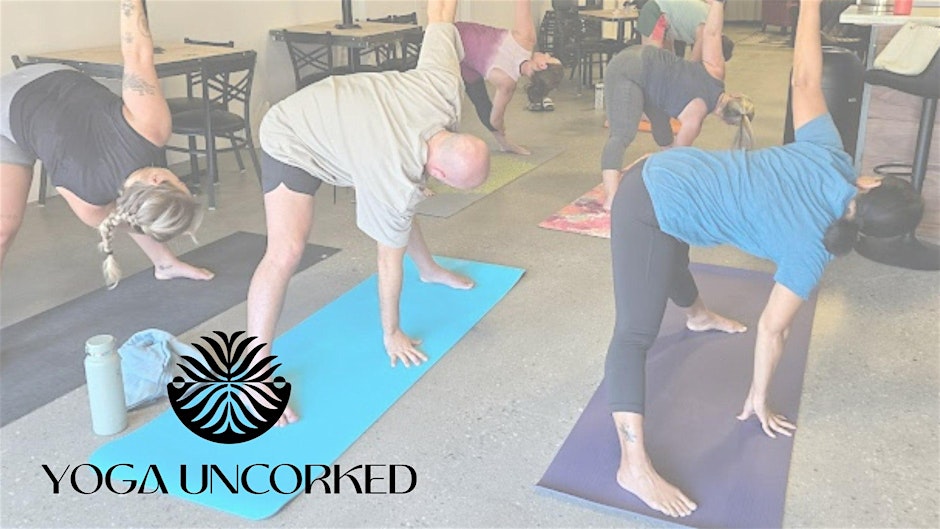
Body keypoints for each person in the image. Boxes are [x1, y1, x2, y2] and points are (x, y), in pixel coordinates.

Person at [602, 0, 924, 518]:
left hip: (667, 178)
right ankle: (631, 465)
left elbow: (804, 78)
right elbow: (773, 329)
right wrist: (759, 397)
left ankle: (697, 314)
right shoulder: (814, 251)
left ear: (869, 182)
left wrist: (810, 7)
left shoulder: (828, 154)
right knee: (634, 334)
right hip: (646, 202)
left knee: (669, 255)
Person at [249, 0, 490, 426]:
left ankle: (429, 269)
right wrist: (391, 333)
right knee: (285, 251)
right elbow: (386, 261)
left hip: (339, 120)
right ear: (439, 172)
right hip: (293, 136)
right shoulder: (393, 172)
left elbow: (440, 16)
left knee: (401, 205)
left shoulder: (443, 89)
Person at [0, 0, 212, 289]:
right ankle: (165, 263)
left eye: (182, 183)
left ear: (158, 179)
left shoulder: (92, 204)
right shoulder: (149, 127)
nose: (182, 180)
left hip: (11, 122)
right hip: (42, 82)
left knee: (3, 228)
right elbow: (137, 55)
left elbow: (136, 214)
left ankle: (165, 265)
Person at [600, 0, 753, 210]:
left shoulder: (716, 71)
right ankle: (611, 198)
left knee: (661, 123)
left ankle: (625, 185)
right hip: (627, 72)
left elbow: (712, 34)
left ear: (735, 95)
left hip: (640, 60)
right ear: (727, 122)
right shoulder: (694, 121)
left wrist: (717, 5)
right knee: (622, 134)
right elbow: (676, 160)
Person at [456, 0, 565, 155]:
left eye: (549, 57)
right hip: (463, 59)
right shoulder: (508, 83)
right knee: (482, 102)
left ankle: (505, 144)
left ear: (542, 65)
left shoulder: (527, 39)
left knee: (479, 100)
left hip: (452, 41)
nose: (547, 54)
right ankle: (504, 143)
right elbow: (495, 119)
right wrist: (501, 127)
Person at [636, 0, 735, 62]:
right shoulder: (706, 32)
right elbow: (693, 66)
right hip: (657, 14)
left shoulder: (713, 21)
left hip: (665, 18)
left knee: (668, 64)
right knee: (653, 61)